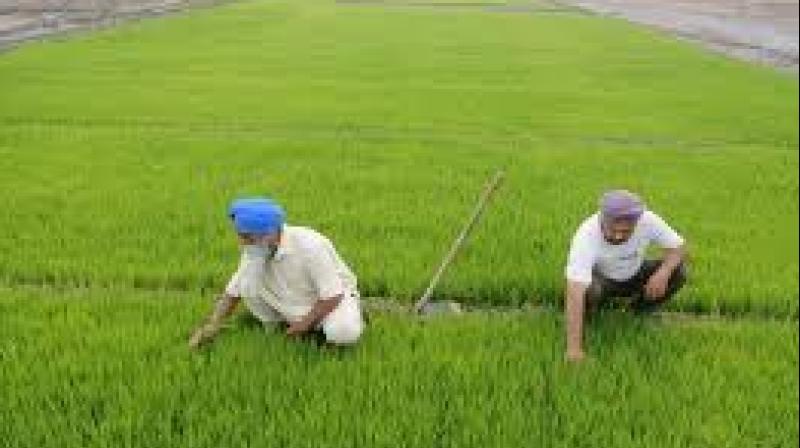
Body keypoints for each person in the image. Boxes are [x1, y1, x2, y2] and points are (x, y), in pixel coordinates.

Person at [189, 198, 364, 348]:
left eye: (247, 237)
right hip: (289, 299)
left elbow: (332, 296)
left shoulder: (310, 246)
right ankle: (275, 325)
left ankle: (331, 345)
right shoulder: (256, 247)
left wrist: (302, 325)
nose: (242, 243)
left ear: (270, 232)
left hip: (330, 300)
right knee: (247, 284)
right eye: (240, 235)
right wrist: (213, 325)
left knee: (343, 331)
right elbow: (234, 292)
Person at [564, 190, 687, 362]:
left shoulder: (648, 220)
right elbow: (574, 291)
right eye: (613, 230)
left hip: (634, 274)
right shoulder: (586, 235)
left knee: (678, 271)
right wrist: (573, 350)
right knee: (588, 290)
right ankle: (589, 318)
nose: (618, 236)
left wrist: (663, 272)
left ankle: (639, 311)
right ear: (602, 219)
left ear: (637, 222)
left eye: (626, 231)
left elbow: (678, 247)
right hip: (603, 281)